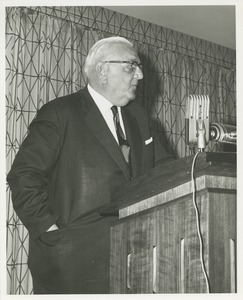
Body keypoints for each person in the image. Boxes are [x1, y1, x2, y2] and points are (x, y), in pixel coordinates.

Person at [7, 36, 172, 294]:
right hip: (72, 263)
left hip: (135, 258)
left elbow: (166, 171)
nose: (139, 74)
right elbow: (23, 176)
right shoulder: (60, 113)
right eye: (131, 65)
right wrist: (53, 232)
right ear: (102, 70)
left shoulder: (139, 117)